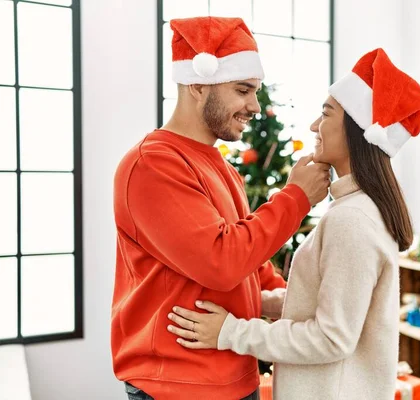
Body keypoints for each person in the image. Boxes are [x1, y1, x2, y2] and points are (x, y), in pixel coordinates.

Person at [167, 48, 420, 400]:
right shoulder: (356, 210)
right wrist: (257, 301)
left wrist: (231, 332)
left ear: (357, 130)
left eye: (325, 114)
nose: (313, 126)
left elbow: (331, 338)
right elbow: (327, 303)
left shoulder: (352, 220)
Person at [111, 16, 330, 400]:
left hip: (235, 373)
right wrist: (296, 197)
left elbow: (250, 265)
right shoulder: (153, 164)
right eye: (243, 90)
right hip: (178, 386)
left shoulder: (224, 169)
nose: (254, 106)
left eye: (255, 91)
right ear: (197, 83)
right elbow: (220, 260)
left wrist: (281, 297)